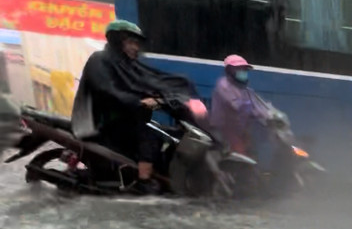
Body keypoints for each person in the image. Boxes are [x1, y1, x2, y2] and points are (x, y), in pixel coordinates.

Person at [71, 20, 201, 187]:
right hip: (102, 123)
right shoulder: (99, 60)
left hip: (126, 121)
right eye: (131, 42)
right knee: (150, 137)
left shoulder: (129, 65)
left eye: (137, 43)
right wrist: (140, 102)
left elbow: (153, 83)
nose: (136, 48)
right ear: (117, 40)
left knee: (169, 134)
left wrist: (168, 99)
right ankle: (143, 182)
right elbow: (109, 92)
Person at [210, 55, 273, 156]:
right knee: (240, 153)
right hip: (225, 129)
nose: (243, 72)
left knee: (251, 151)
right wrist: (255, 111)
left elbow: (258, 106)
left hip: (240, 130)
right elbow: (236, 105)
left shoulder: (246, 90)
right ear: (230, 70)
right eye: (239, 69)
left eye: (244, 69)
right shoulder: (224, 85)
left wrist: (269, 115)